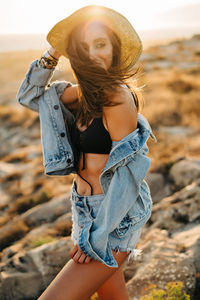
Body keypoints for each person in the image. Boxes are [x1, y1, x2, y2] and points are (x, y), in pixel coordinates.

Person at [17, 5, 157, 300]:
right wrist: (55, 50)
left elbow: (128, 176)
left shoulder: (118, 97)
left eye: (101, 44)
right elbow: (30, 96)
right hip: (83, 207)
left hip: (114, 216)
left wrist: (95, 237)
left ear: (115, 48)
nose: (93, 54)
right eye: (83, 48)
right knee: (112, 297)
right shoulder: (79, 94)